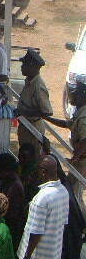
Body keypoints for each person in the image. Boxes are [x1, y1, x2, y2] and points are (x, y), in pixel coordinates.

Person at [42, 75, 86, 216]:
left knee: (72, 191)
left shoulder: (84, 116)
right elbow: (67, 125)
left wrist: (75, 158)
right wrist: (47, 118)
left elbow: (85, 140)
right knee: (75, 191)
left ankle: (79, 223)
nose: (72, 95)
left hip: (82, 161)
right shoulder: (80, 113)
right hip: (80, 158)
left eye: (77, 93)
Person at [17, 155, 69, 259]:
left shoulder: (42, 197)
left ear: (43, 171)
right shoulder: (64, 191)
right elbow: (63, 223)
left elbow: (36, 232)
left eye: (37, 171)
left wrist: (27, 256)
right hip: (54, 253)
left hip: (38, 255)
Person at [15, 49, 52, 158]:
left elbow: (47, 112)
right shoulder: (29, 81)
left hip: (33, 128)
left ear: (31, 66)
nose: (21, 67)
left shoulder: (38, 86)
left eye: (24, 64)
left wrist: (24, 112)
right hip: (25, 127)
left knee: (31, 161)